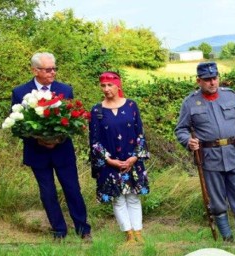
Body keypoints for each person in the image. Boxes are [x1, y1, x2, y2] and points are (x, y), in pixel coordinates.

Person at [11, 52, 91, 241]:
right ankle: (59, 231)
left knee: (72, 189)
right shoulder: (20, 92)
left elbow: (72, 119)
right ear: (35, 70)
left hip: (62, 150)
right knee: (47, 193)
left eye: (54, 68)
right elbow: (16, 124)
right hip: (37, 151)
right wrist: (37, 139)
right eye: (48, 69)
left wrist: (58, 138)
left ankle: (83, 229)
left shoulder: (65, 89)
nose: (53, 72)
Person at [175, 62, 235, 242]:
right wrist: (188, 141)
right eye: (207, 80)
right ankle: (227, 238)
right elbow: (181, 129)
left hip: (234, 154)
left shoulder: (231, 97)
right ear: (198, 81)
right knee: (217, 201)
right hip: (209, 159)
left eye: (215, 78)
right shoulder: (190, 103)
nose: (212, 82)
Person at [89, 72, 150, 244]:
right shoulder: (97, 110)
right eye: (103, 85)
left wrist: (135, 157)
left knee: (133, 197)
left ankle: (138, 232)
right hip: (111, 162)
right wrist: (108, 160)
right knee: (118, 198)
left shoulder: (131, 105)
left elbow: (140, 133)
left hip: (132, 161)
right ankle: (128, 233)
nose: (106, 89)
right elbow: (94, 140)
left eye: (110, 85)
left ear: (118, 86)